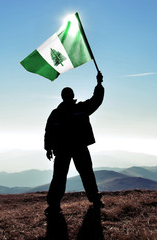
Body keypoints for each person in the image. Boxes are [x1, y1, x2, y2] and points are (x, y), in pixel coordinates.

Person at [44, 72, 105, 215]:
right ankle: (93, 199)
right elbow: (49, 132)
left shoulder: (61, 112)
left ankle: (55, 204)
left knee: (75, 175)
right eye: (67, 94)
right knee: (76, 175)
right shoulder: (70, 111)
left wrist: (99, 84)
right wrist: (48, 148)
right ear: (68, 96)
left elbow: (96, 100)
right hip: (72, 148)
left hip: (69, 148)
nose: (68, 96)